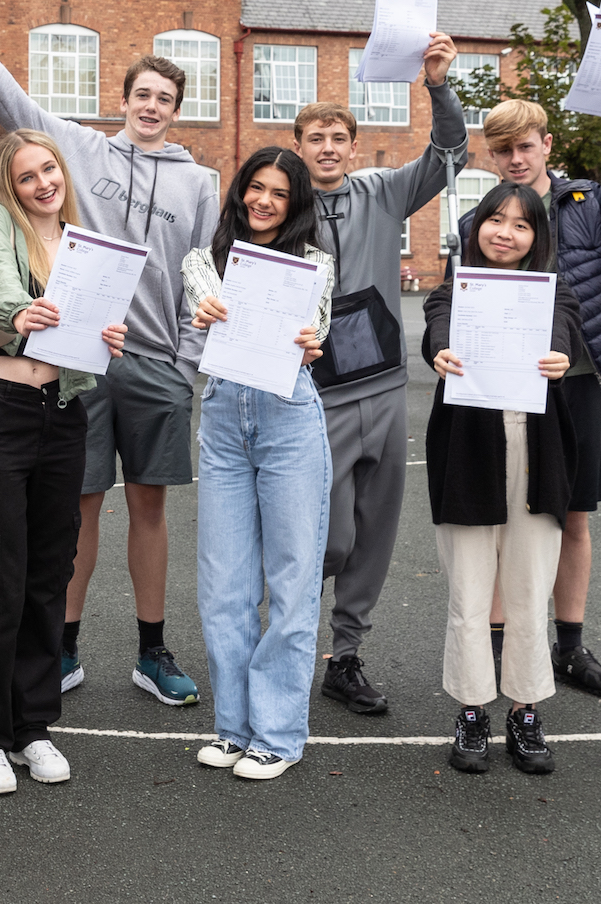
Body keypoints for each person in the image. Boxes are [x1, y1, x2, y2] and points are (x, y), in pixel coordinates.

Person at [0, 0, 218, 706]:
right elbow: (9, 100)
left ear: (177, 111)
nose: (152, 107)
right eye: (142, 95)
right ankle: (63, 646)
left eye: (166, 99)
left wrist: (188, 362)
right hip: (77, 363)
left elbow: (204, 275)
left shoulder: (199, 182)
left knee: (149, 508)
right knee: (78, 508)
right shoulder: (80, 154)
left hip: (154, 361)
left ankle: (151, 650)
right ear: (122, 101)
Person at [455, 95, 601, 697]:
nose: (515, 159)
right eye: (503, 150)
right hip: (502, 384)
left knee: (572, 516)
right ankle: (503, 648)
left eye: (525, 146)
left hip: (575, 379)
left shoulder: (585, 200)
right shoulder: (480, 216)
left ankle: (570, 648)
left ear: (546, 144)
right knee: (504, 515)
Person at [290, 34, 462, 717]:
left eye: (338, 136)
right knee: (328, 535)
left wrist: (439, 86)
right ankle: (292, 638)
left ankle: (348, 654)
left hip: (384, 389)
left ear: (353, 147)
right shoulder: (280, 207)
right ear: (298, 145)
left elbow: (449, 157)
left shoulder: (384, 193)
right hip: (318, 395)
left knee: (375, 530)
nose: (328, 147)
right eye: (316, 137)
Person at [0, 130, 128, 794]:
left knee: (48, 575)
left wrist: (110, 334)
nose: (42, 184)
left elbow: (96, 332)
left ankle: (33, 727)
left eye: (48, 170)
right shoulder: (0, 222)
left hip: (64, 413)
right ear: (12, 185)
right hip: (0, 410)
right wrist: (31, 311)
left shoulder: (83, 241)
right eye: (26, 176)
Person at [182, 148, 333, 781]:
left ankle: (277, 734)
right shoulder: (202, 260)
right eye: (255, 188)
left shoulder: (315, 263)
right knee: (224, 585)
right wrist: (206, 312)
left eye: (278, 192)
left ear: (296, 202)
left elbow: (316, 332)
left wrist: (310, 341)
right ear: (241, 192)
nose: (264, 200)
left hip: (288, 414)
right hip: (222, 416)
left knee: (293, 580)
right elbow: (205, 307)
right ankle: (233, 728)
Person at [422, 182, 581, 776]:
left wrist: (559, 358)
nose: (506, 232)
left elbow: (564, 332)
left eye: (521, 224)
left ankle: (525, 709)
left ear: (537, 237)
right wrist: (440, 351)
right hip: (467, 455)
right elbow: (436, 327)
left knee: (528, 592)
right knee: (469, 591)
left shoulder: (555, 293)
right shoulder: (453, 290)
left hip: (540, 459)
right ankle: (470, 709)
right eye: (495, 219)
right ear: (476, 226)